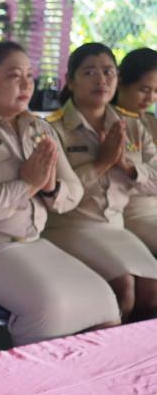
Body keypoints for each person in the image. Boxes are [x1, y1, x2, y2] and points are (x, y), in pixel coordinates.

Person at [0, 41, 120, 343]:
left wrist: (50, 187)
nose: (25, 85)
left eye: (29, 76)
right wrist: (26, 185)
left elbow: (72, 192)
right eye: (13, 76)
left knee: (105, 301)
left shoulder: (40, 130)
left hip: (31, 242)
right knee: (50, 310)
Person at [43, 43, 157, 320]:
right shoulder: (50, 128)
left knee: (153, 292)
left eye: (108, 72)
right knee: (124, 289)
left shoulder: (132, 126)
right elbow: (55, 194)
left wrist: (127, 167)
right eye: (90, 72)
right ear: (71, 81)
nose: (101, 80)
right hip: (69, 226)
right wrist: (101, 164)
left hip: (115, 226)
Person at [114, 47, 157, 252]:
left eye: (156, 91)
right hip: (133, 212)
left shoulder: (150, 123)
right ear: (121, 82)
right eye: (144, 89)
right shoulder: (109, 123)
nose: (150, 98)